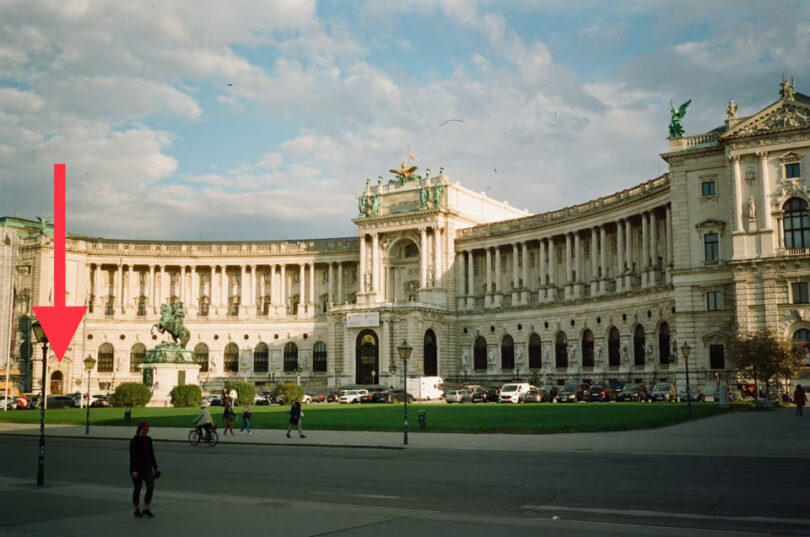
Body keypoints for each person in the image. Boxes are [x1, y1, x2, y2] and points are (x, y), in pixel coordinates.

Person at [129, 422, 159, 518]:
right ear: (139, 430)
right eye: (144, 430)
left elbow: (151, 455)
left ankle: (146, 508)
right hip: (137, 468)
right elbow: (132, 457)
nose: (146, 432)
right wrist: (134, 470)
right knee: (137, 488)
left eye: (147, 430)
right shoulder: (134, 441)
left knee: (150, 486)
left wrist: (156, 468)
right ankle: (136, 509)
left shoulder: (148, 440)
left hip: (147, 467)